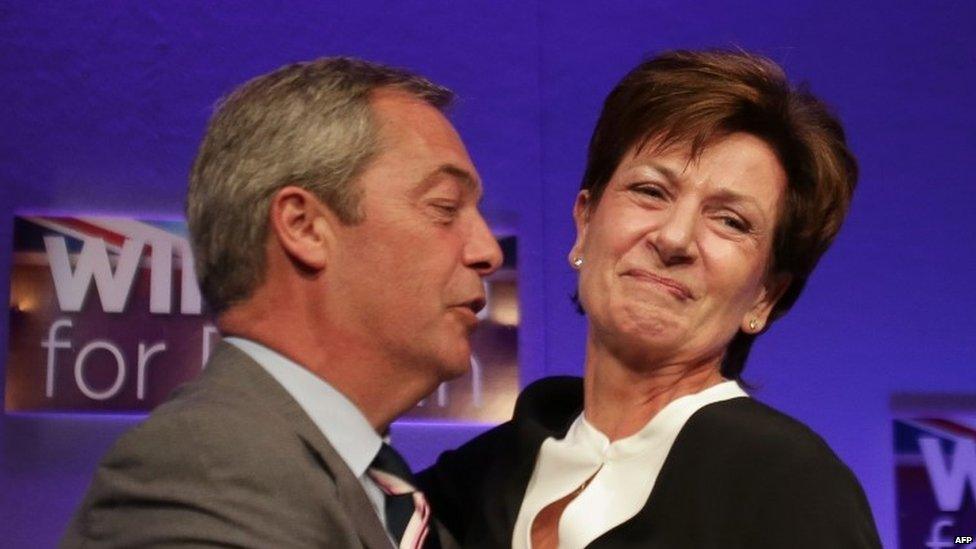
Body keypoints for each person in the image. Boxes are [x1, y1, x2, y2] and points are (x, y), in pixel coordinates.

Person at [418, 49, 883, 548]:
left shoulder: (793, 488)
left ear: (766, 295)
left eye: (730, 221)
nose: (675, 238)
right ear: (585, 222)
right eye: (651, 191)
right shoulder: (463, 485)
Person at [61, 57, 501, 548]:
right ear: (304, 227)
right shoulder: (200, 471)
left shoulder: (395, 501)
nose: (488, 251)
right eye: (443, 206)